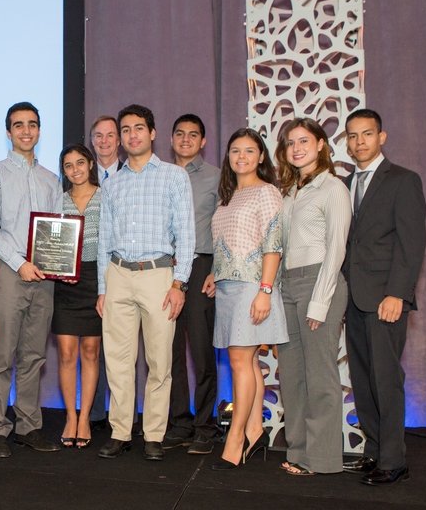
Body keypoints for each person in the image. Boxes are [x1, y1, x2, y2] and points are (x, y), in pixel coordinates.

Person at [96, 104, 195, 462]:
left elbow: (186, 234)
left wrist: (179, 283)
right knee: (118, 363)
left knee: (160, 362)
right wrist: (103, 289)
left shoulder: (172, 176)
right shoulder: (113, 183)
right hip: (118, 275)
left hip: (159, 276)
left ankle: (154, 434)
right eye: (125, 130)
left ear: (152, 133)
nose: (132, 135)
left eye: (139, 128)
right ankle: (120, 432)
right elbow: (104, 241)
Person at [341, 109, 426, 485]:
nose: (360, 142)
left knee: (386, 378)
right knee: (362, 378)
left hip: (385, 299)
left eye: (367, 134)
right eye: (353, 136)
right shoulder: (344, 183)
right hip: (353, 297)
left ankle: (394, 460)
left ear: (382, 137)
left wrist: (397, 294)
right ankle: (374, 451)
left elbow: (412, 245)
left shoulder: (404, 180)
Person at [0, 102, 62, 458]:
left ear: (39, 131)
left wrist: (57, 263)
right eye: (18, 125)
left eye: (32, 125)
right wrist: (19, 262)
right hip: (10, 274)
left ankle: (29, 426)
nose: (26, 131)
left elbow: (57, 229)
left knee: (33, 357)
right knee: (2, 356)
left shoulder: (51, 179)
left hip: (45, 278)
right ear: (8, 132)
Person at [205, 127, 287, 470]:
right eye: (235, 150)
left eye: (249, 151)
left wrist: (265, 292)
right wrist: (213, 272)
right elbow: (227, 242)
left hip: (253, 287)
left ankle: (235, 437)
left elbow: (273, 245)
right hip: (226, 287)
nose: (242, 156)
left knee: (240, 361)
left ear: (261, 156)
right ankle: (255, 430)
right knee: (248, 362)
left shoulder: (267, 192)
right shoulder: (227, 196)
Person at [274, 118, 351, 475]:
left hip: (319, 282)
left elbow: (336, 250)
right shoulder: (289, 190)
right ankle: (297, 452)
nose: (297, 148)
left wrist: (320, 300)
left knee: (320, 377)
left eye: (304, 140)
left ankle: (320, 460)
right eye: (290, 143)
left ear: (321, 144)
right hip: (287, 286)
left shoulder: (332, 187)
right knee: (291, 376)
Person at [163, 114, 221, 455]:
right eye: (180, 134)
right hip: (164, 269)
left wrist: (218, 268)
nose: (186, 139)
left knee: (201, 351)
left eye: (193, 135)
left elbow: (225, 227)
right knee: (167, 352)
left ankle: (204, 425)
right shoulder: (159, 176)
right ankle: (180, 422)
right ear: (171, 140)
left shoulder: (216, 178)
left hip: (200, 267)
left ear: (202, 142)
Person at [53, 144, 102, 449]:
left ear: (91, 163)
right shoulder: (56, 201)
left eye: (80, 163)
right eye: (68, 166)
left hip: (98, 280)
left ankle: (85, 418)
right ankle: (70, 416)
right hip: (65, 283)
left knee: (91, 352)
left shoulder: (107, 196)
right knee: (67, 353)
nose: (75, 170)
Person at [88, 115, 126, 433]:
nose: (104, 141)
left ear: (119, 140)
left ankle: (124, 414)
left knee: (123, 345)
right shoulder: (77, 178)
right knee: (93, 344)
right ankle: (97, 410)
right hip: (88, 272)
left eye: (110, 135)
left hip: (125, 269)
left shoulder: (132, 176)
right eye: (98, 136)